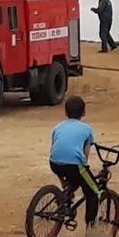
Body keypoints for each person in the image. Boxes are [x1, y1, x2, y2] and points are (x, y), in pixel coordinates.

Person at [48, 96, 100, 230]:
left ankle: (65, 192)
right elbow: (85, 156)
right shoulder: (87, 129)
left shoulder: (58, 127)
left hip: (54, 163)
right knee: (94, 192)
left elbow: (55, 147)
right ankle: (91, 227)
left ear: (66, 112)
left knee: (70, 176)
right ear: (84, 112)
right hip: (74, 166)